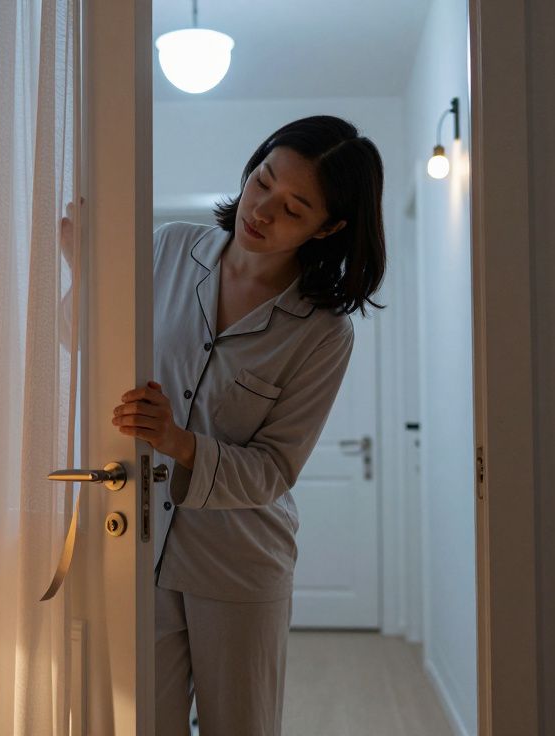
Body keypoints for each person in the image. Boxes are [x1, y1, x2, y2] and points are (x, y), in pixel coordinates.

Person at [112, 115, 387, 735]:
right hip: (141, 540)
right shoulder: (170, 248)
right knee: (145, 723)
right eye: (262, 181)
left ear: (330, 227)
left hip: (240, 560)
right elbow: (94, 351)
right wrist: (84, 274)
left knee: (240, 724)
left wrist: (178, 442)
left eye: (294, 208)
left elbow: (274, 469)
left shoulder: (321, 333)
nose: (262, 210)